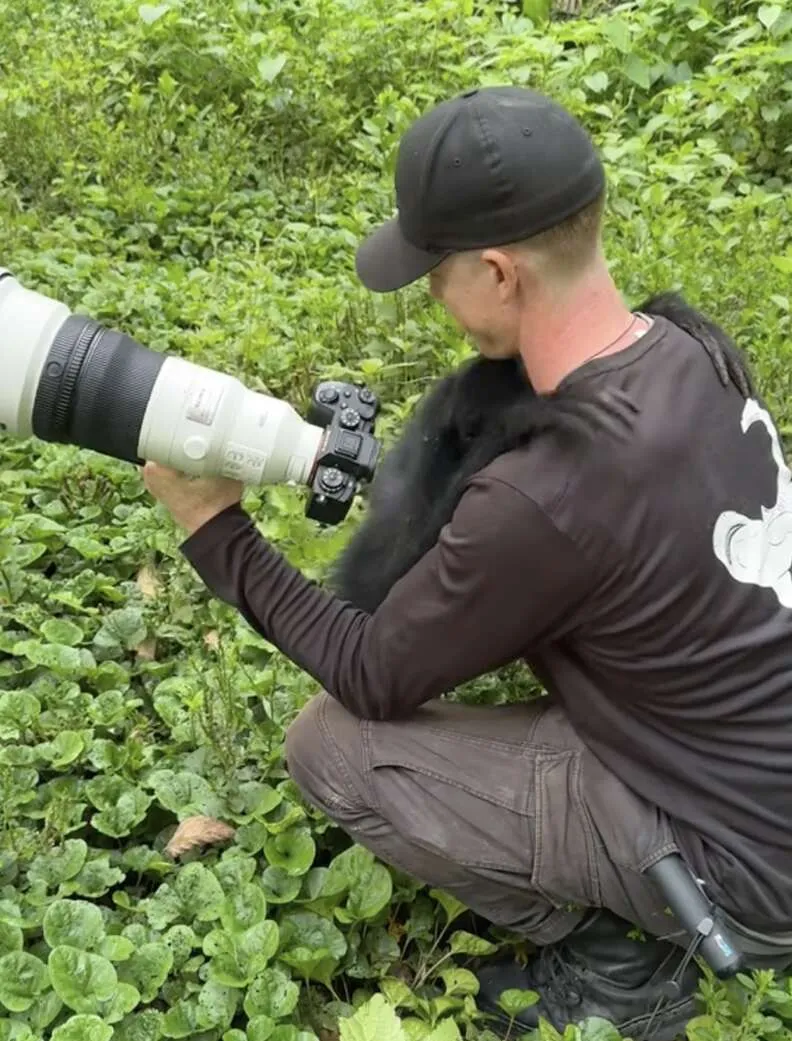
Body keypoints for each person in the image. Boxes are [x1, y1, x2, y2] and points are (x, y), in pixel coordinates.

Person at [143, 86, 792, 1040]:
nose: (433, 299)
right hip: (757, 772)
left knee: (332, 746)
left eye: (434, 274)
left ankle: (629, 959)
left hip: (742, 866)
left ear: (496, 271)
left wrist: (215, 530)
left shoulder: (550, 491)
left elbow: (374, 671)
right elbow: (553, 541)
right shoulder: (686, 350)